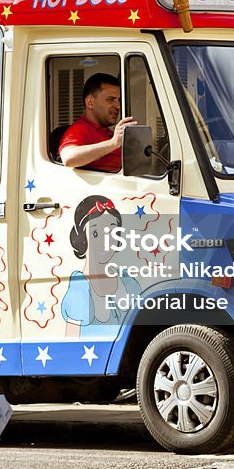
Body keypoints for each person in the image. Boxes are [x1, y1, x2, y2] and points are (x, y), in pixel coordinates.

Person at [62, 195, 140, 337]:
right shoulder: (80, 287)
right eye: (95, 233)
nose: (105, 240)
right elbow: (71, 341)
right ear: (82, 239)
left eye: (111, 232)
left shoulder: (127, 281)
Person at [59, 72, 136, 171]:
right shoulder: (79, 129)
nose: (118, 106)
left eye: (119, 100)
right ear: (90, 103)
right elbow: (69, 158)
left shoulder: (109, 133)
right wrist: (112, 143)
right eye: (110, 100)